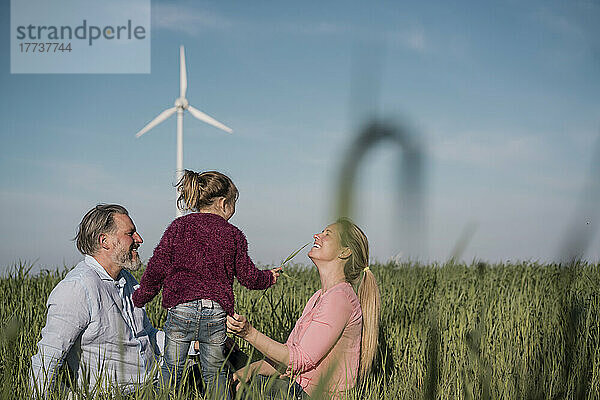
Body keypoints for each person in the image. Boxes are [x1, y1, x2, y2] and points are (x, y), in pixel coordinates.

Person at [132, 170, 281, 397]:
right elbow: (248, 277)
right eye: (233, 203)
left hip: (182, 308)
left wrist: (142, 296)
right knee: (214, 372)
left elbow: (157, 267)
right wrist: (269, 278)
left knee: (172, 368)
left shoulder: (178, 227)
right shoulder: (233, 234)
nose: (234, 208)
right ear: (223, 203)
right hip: (215, 312)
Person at [227, 218, 381, 399]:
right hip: (295, 387)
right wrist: (250, 369)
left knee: (220, 377)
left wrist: (248, 333)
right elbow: (286, 361)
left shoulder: (340, 299)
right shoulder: (319, 296)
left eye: (327, 234)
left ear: (344, 252)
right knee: (225, 356)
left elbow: (298, 360)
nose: (317, 236)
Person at [29, 204, 161, 396]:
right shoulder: (77, 288)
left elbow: (146, 335)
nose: (139, 239)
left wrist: (194, 344)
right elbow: (46, 361)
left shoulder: (128, 280)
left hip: (156, 389)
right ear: (104, 241)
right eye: (130, 233)